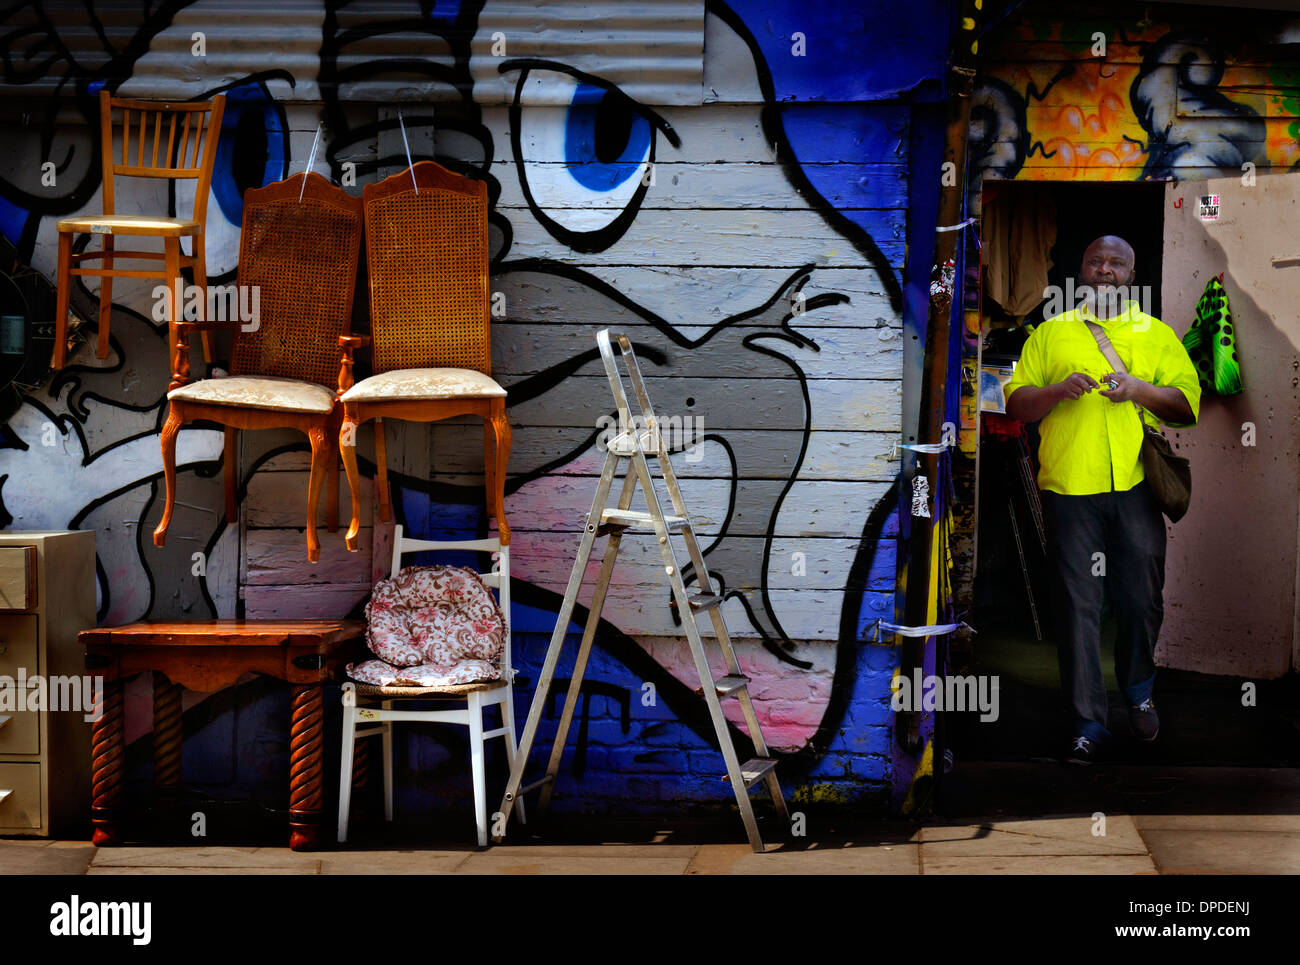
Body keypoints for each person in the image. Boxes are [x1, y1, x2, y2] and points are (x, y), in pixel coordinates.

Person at [1004, 236, 1201, 765]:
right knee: (1077, 607)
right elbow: (1019, 405)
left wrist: (1137, 388)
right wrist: (1055, 392)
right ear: (1082, 270)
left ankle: (1138, 690)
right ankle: (1089, 722)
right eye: (1095, 261)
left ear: (1132, 273)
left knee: (1141, 598)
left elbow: (1186, 406)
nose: (1105, 270)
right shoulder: (1050, 333)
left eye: (1116, 263)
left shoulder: (1156, 335)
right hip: (1069, 488)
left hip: (1136, 488)